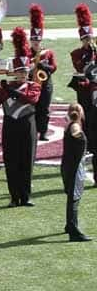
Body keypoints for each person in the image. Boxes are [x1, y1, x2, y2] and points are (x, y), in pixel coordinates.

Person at [0, 28, 41, 208]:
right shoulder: (6, 87)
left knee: (26, 161)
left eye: (24, 71)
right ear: (14, 71)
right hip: (10, 125)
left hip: (27, 125)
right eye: (19, 71)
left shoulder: (33, 85)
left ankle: (26, 196)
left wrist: (10, 90)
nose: (22, 74)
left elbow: (31, 99)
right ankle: (14, 197)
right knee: (11, 161)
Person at [61, 103, 92, 242]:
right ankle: (74, 231)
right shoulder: (74, 126)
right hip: (74, 168)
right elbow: (75, 133)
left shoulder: (69, 124)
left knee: (72, 196)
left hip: (68, 166)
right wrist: (77, 131)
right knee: (74, 198)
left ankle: (69, 225)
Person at [29, 4, 57, 141]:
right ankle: (33, 130)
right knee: (32, 109)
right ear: (30, 40)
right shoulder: (26, 53)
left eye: (38, 40)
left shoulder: (48, 52)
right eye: (33, 40)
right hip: (31, 84)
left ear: (41, 40)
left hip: (45, 84)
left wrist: (42, 65)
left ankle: (43, 132)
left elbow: (54, 68)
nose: (36, 42)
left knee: (44, 109)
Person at [68, 3, 96, 132]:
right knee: (85, 114)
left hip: (95, 86)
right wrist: (89, 56)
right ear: (81, 39)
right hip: (84, 87)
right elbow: (79, 66)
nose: (88, 41)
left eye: (90, 38)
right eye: (85, 39)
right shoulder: (76, 53)